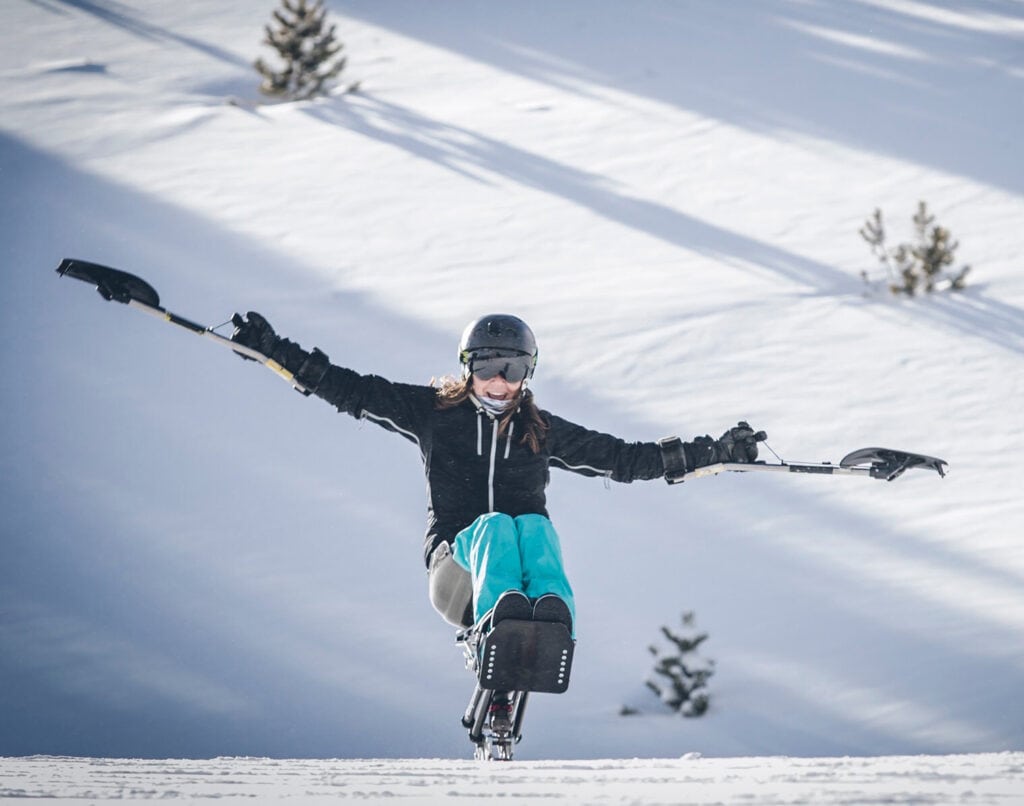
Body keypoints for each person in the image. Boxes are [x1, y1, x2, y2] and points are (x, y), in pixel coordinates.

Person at [229, 311, 764, 638]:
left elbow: (623, 458)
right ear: (468, 367)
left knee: (534, 528)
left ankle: (552, 621)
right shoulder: (434, 414)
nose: (499, 382)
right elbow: (352, 390)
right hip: (457, 578)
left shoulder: (539, 430)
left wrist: (711, 452)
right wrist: (276, 354)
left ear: (528, 373)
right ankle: (498, 624)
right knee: (495, 527)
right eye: (487, 367)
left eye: (512, 369)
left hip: (524, 583)